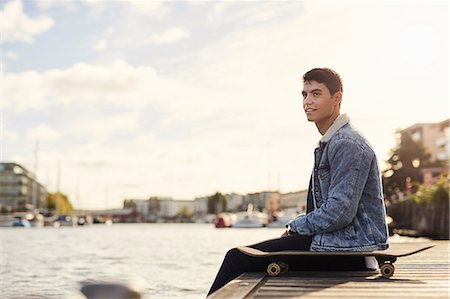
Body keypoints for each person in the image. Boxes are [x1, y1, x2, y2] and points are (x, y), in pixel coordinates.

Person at [207, 67, 389, 296]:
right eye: (304, 94)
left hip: (350, 251)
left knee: (237, 258)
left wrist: (295, 226)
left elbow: (339, 211)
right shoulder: (333, 142)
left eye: (316, 94)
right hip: (338, 244)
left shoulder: (347, 143)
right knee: (245, 256)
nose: (307, 101)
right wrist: (297, 229)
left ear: (337, 98)